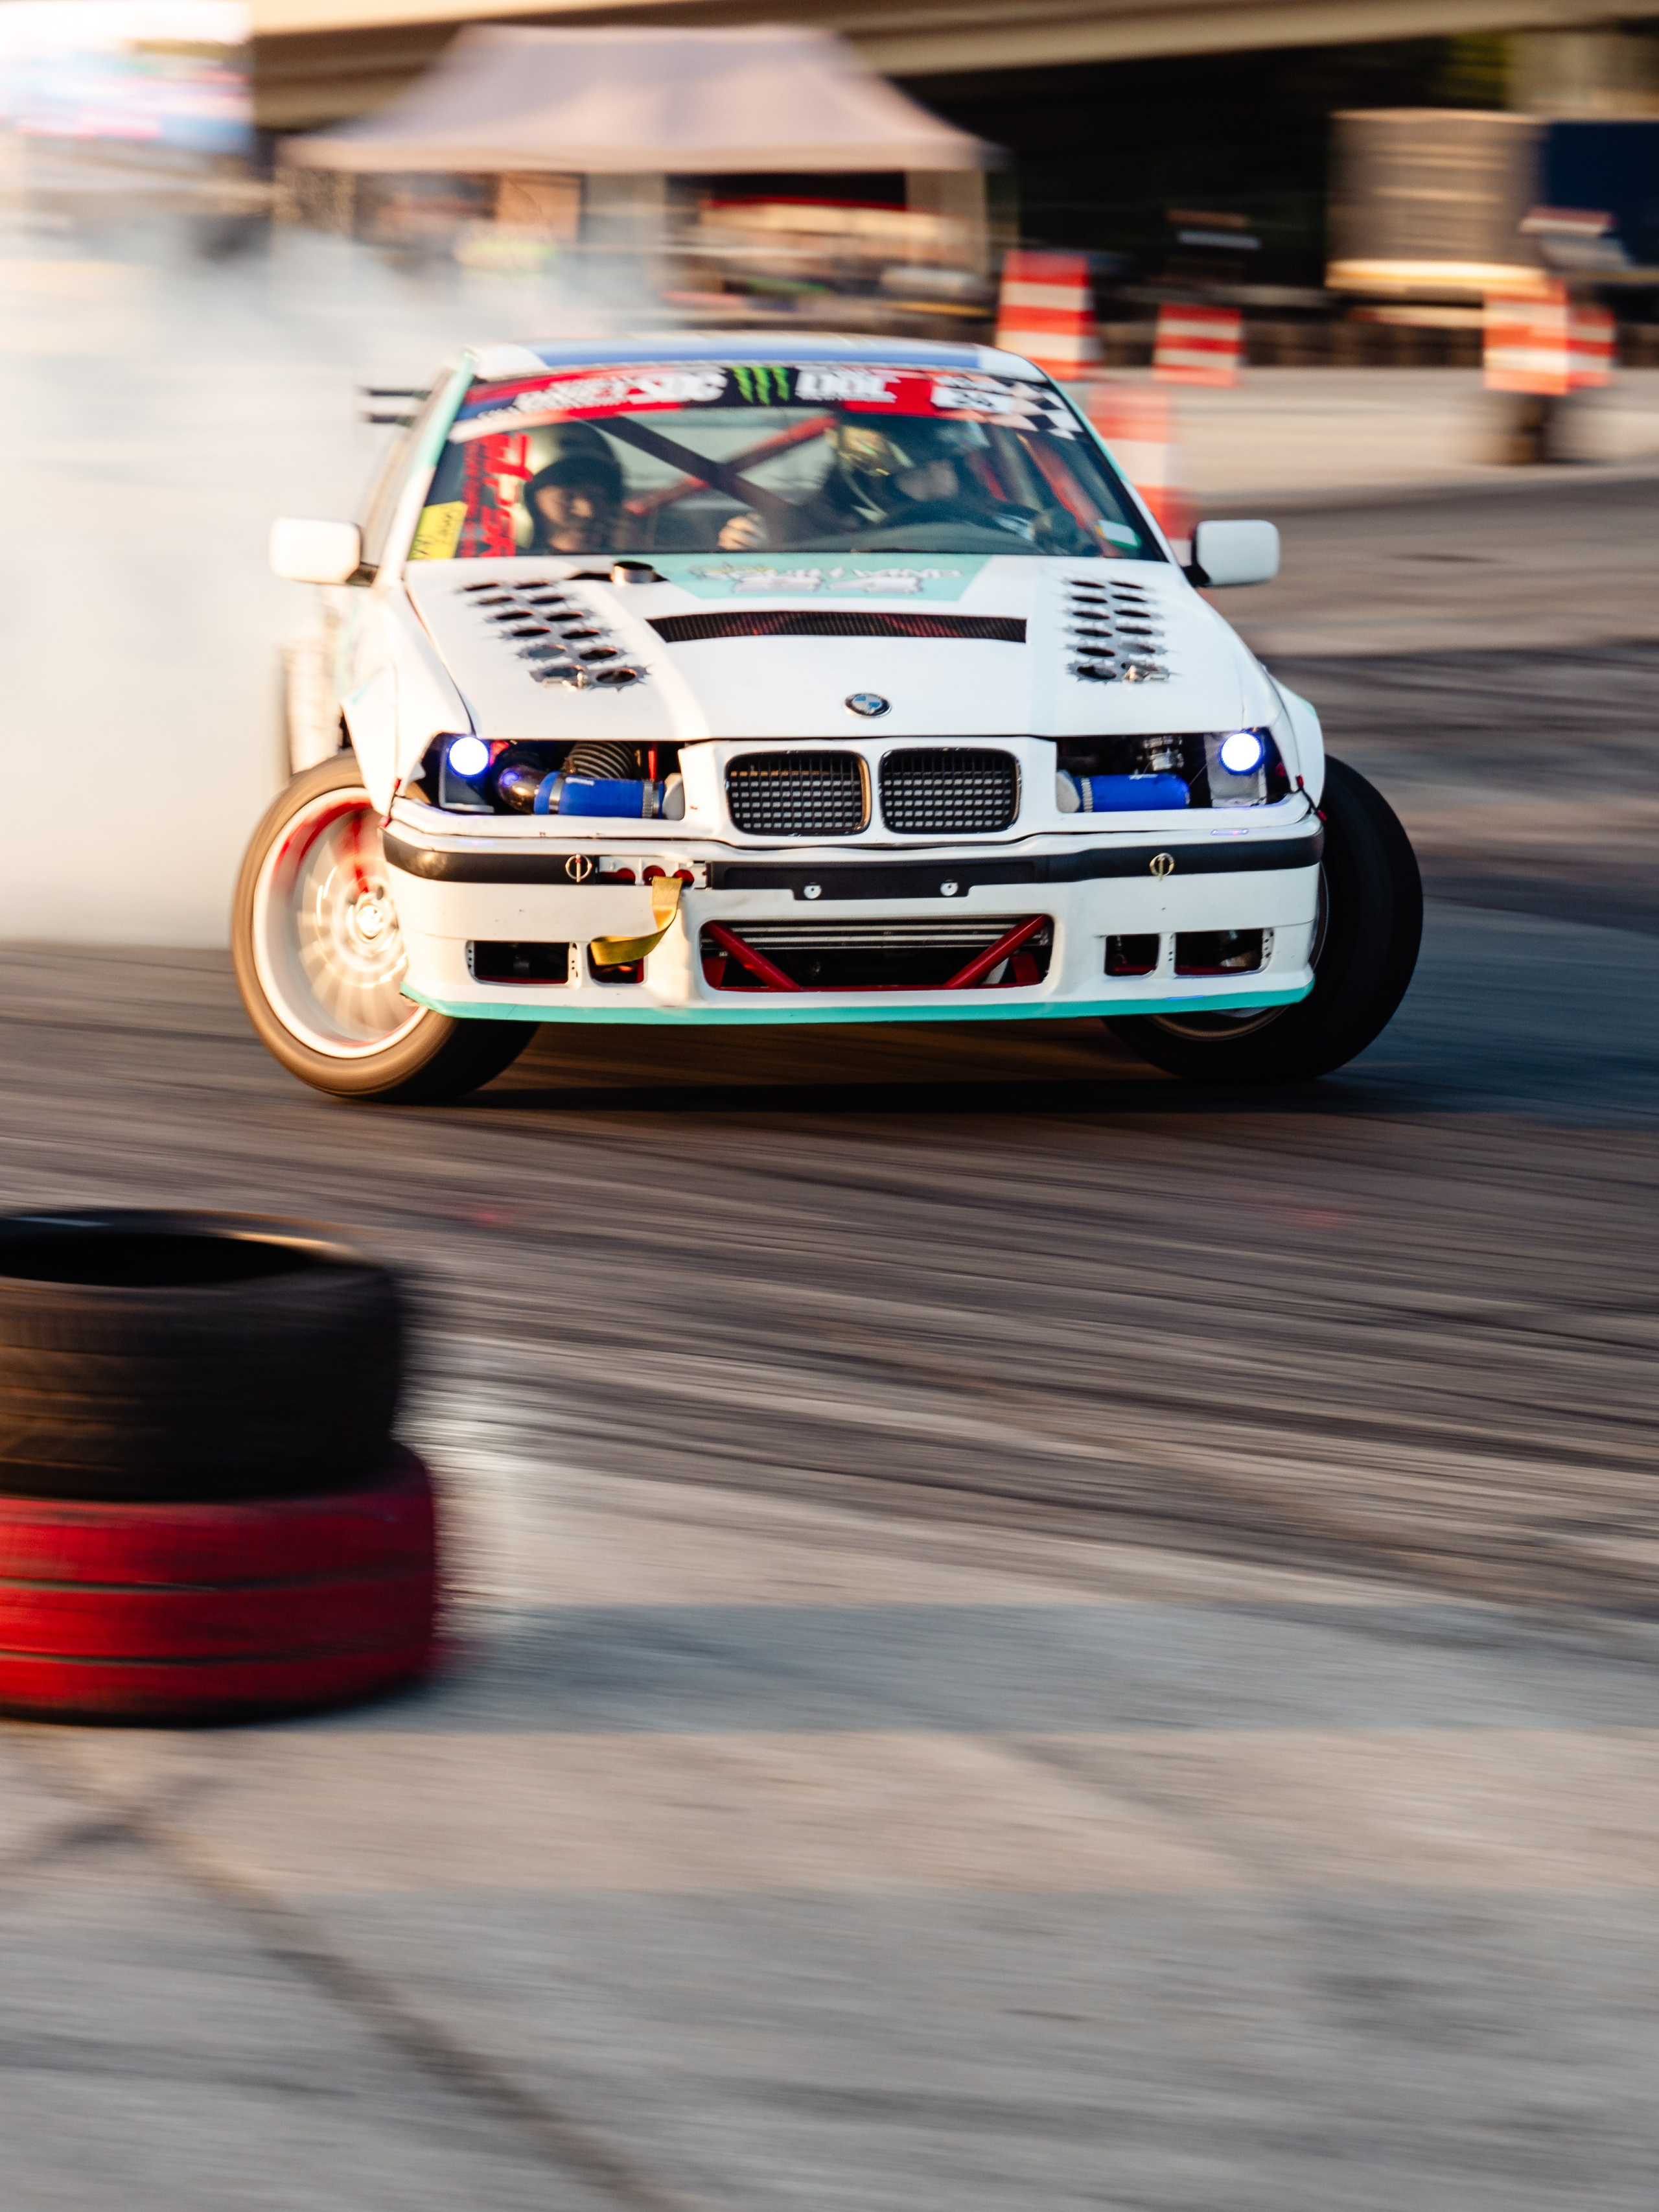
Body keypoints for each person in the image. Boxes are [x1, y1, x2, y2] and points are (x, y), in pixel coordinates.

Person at [716, 418, 1049, 551]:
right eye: (924, 469)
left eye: (951, 463)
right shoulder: (795, 532)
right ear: (872, 481)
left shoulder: (1016, 524)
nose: (946, 478)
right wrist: (745, 549)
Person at [522, 450, 628, 555]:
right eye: (567, 498)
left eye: (598, 497)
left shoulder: (619, 567)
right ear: (529, 503)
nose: (589, 512)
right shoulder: (514, 569)